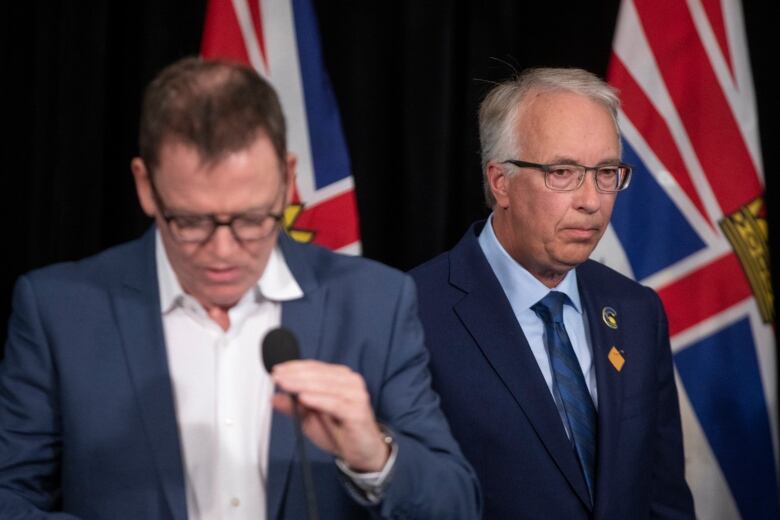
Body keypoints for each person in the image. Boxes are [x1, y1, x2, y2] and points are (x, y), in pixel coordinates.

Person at [0, 57, 480, 519]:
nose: (224, 251)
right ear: (146, 187)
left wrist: (376, 456)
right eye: (191, 221)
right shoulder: (57, 310)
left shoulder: (376, 302)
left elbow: (457, 506)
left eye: (253, 219)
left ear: (288, 180)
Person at [410, 68, 695, 519]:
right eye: (562, 172)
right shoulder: (411, 313)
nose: (591, 200)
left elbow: (663, 498)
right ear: (500, 181)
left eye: (606, 172)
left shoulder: (637, 312)